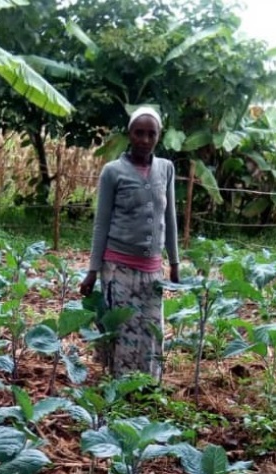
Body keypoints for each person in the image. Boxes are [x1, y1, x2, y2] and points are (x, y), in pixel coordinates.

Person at [80, 106, 180, 379]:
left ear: (159, 136)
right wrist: (92, 270)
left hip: (152, 270)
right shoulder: (112, 172)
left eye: (152, 134)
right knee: (122, 330)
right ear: (129, 134)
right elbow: (101, 224)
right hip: (117, 267)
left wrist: (175, 262)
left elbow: (170, 219)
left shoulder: (166, 169)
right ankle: (119, 390)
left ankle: (147, 387)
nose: (145, 140)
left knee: (150, 329)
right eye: (139, 133)